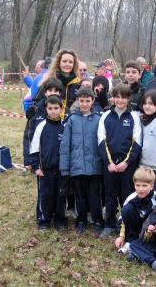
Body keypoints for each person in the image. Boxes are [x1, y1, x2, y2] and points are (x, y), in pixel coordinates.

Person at [97, 84, 142, 238]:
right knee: (110, 194)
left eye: (124, 97)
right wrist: (109, 163)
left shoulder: (134, 117)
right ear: (113, 98)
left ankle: (126, 225)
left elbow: (137, 143)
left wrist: (126, 163)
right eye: (117, 97)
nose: (120, 100)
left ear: (129, 99)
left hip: (127, 164)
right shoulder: (105, 116)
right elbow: (101, 141)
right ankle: (109, 224)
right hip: (109, 165)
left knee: (128, 195)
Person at [60, 88, 104, 234]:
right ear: (77, 101)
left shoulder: (99, 120)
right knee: (80, 195)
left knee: (95, 195)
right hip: (77, 166)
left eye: (88, 101)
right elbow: (66, 145)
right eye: (82, 101)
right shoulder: (72, 120)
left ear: (93, 101)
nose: (84, 104)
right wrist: (65, 168)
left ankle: (98, 220)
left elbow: (103, 144)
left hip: (95, 166)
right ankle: (81, 220)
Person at [29, 95, 67, 231]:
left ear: (61, 108)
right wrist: (36, 166)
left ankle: (60, 219)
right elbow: (34, 148)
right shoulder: (41, 127)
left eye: (56, 108)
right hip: (45, 170)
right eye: (50, 108)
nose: (53, 111)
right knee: (45, 195)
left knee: (60, 196)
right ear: (46, 109)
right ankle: (44, 220)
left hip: (61, 170)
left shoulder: (65, 127)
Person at [114, 166, 156, 254]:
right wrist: (121, 236)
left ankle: (149, 244)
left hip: (151, 232)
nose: (140, 189)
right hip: (135, 229)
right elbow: (121, 220)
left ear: (152, 186)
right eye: (138, 185)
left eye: (144, 185)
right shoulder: (130, 198)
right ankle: (130, 242)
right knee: (127, 209)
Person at [23, 78, 63, 167]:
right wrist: (29, 160)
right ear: (45, 92)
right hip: (42, 159)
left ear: (60, 93)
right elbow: (29, 135)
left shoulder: (64, 111)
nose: (53, 93)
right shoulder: (36, 110)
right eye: (50, 90)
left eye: (56, 91)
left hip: (59, 159)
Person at [35, 50, 80, 120]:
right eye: (64, 61)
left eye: (70, 62)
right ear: (59, 63)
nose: (67, 64)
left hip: (71, 125)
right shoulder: (50, 82)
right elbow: (36, 102)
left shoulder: (78, 84)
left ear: (74, 64)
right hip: (50, 123)